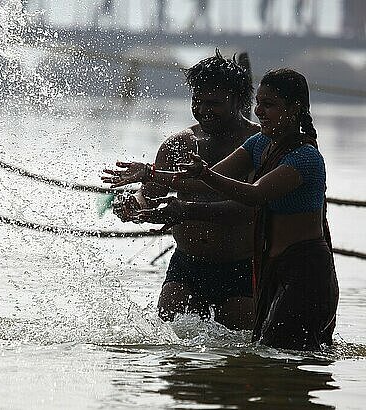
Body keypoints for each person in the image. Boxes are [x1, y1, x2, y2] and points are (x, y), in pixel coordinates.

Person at [133, 68, 338, 350]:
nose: (261, 111)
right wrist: (148, 173)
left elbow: (253, 197)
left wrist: (190, 201)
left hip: (301, 268)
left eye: (269, 105)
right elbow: (205, 181)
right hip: (270, 266)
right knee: (263, 352)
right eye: (260, 103)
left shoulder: (304, 157)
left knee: (289, 353)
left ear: (295, 109)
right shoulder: (260, 143)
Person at [102, 50, 260, 330]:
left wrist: (186, 210)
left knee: (240, 352)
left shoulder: (258, 145)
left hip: (240, 267)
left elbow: (252, 207)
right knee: (171, 347)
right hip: (187, 265)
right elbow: (150, 192)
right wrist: (132, 205)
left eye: (214, 103)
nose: (203, 110)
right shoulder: (179, 143)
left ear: (237, 100)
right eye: (197, 102)